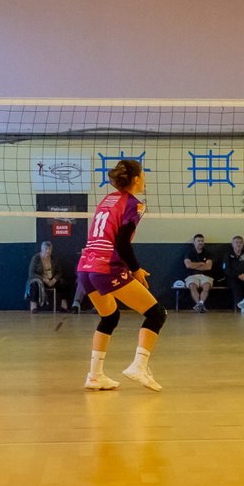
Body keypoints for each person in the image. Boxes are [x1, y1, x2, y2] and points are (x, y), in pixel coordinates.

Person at [76, 159, 165, 391]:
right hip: (106, 266)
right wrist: (135, 270)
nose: (144, 180)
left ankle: (94, 376)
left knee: (110, 317)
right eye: (143, 175)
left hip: (86, 266)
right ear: (135, 179)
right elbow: (122, 242)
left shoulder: (107, 199)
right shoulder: (134, 204)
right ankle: (139, 366)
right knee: (156, 313)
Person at [26, 242, 70, 313]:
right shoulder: (36, 258)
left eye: (49, 249)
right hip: (40, 280)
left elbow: (59, 272)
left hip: (51, 279)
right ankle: (33, 306)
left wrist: (54, 280)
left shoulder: (54, 258)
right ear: (42, 249)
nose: (48, 251)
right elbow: (32, 273)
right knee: (34, 285)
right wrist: (43, 279)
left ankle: (63, 305)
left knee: (63, 283)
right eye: (46, 249)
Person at [223, 235, 244, 313]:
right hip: (232, 278)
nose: (238, 244)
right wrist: (238, 276)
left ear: (243, 244)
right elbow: (226, 270)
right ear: (232, 244)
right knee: (236, 286)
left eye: (240, 242)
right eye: (236, 242)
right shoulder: (227, 255)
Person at [183, 234, 213, 312]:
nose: (200, 243)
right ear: (194, 242)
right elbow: (188, 265)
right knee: (192, 286)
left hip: (205, 276)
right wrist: (201, 263)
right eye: (198, 241)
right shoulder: (189, 253)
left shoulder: (208, 253)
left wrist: (194, 265)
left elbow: (208, 267)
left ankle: (200, 304)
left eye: (202, 241)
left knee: (206, 286)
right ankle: (199, 305)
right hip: (192, 276)